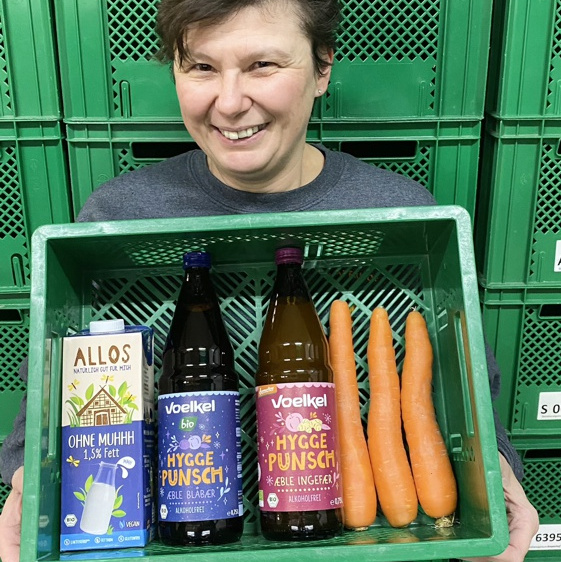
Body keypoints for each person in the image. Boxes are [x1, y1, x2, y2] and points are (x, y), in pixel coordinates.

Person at [0, 0, 538, 560]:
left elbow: (465, 392)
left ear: (322, 68)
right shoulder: (117, 216)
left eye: (262, 65)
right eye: (201, 67)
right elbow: (48, 407)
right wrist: (27, 488)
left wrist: (494, 482)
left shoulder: (401, 210)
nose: (230, 102)